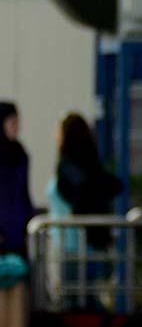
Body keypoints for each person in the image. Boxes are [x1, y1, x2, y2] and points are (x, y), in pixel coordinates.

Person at [47, 113, 123, 308]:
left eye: (58, 132)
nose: (56, 137)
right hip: (90, 243)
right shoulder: (91, 164)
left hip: (73, 245)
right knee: (87, 299)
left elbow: (83, 189)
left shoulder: (68, 166)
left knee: (74, 302)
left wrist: (78, 211)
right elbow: (113, 185)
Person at [0, 102, 34, 327]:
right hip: (3, 233)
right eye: (12, 122)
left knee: (18, 295)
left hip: (17, 234)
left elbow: (23, 194)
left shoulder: (20, 153)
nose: (16, 127)